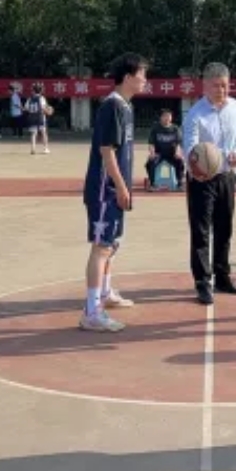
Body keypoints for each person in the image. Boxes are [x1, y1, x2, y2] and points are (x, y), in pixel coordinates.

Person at [80, 53, 148, 332]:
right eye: (142, 75)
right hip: (103, 190)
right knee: (102, 247)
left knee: (113, 243)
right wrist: (120, 186)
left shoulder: (125, 106)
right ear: (128, 77)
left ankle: (105, 293)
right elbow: (106, 150)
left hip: (115, 188)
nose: (145, 80)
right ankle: (91, 311)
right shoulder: (112, 106)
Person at [183, 62, 236, 305]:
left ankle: (222, 276)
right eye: (216, 85)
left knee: (224, 228)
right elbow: (189, 146)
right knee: (201, 231)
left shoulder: (235, 106)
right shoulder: (195, 114)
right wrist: (197, 166)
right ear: (205, 86)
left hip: (226, 176)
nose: (221, 90)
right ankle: (202, 282)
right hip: (202, 180)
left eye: (225, 85)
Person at [145, 109, 185, 190]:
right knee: (150, 163)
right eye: (165, 116)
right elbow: (151, 143)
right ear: (161, 117)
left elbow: (178, 144)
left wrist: (177, 152)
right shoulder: (155, 128)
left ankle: (179, 183)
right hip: (159, 153)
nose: (167, 118)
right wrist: (152, 153)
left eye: (169, 116)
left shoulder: (175, 129)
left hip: (171, 153)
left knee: (180, 161)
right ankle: (152, 183)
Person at [24, 83, 51, 154]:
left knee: (33, 133)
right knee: (43, 133)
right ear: (41, 90)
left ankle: (33, 148)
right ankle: (46, 148)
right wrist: (48, 112)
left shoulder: (29, 99)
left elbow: (26, 108)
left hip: (32, 117)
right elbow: (43, 108)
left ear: (33, 90)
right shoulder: (41, 98)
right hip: (40, 117)